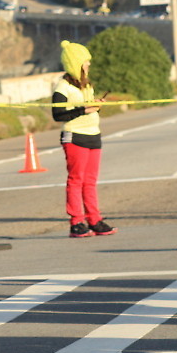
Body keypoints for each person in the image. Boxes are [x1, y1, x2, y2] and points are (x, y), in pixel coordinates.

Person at [51, 40, 117, 238]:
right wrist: (84, 109)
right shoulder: (62, 87)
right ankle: (76, 222)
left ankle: (94, 219)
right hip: (74, 136)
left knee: (90, 181)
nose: (88, 64)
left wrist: (94, 104)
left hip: (93, 134)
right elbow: (58, 114)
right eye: (85, 61)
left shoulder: (86, 84)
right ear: (75, 62)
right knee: (76, 180)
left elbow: (86, 106)